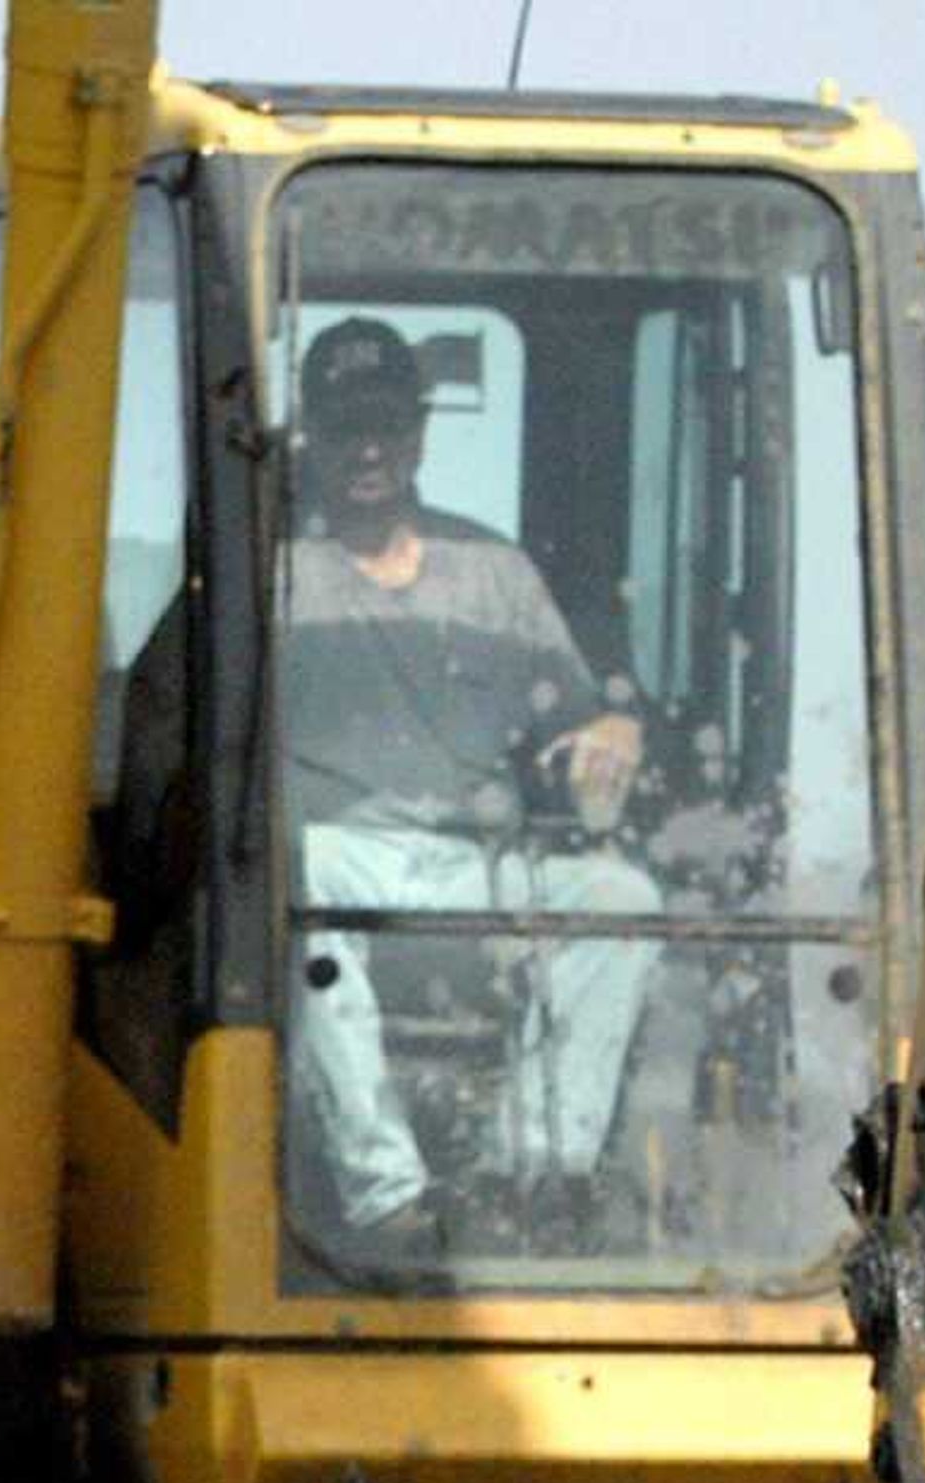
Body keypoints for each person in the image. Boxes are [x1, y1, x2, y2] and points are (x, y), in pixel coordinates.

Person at [273, 316, 660, 1257]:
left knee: (622, 898)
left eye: (386, 425)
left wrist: (613, 727)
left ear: (419, 433)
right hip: (333, 852)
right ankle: (387, 1197)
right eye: (344, 427)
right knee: (290, 895)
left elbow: (576, 714)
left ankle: (525, 1173)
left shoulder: (495, 572)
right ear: (310, 437)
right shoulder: (273, 573)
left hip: (471, 861)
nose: (368, 449)